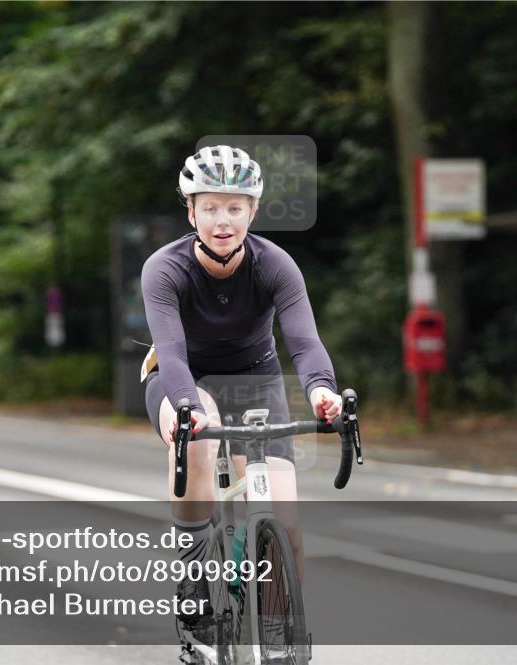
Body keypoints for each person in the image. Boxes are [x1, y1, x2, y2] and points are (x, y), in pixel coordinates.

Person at [140, 145, 343, 630]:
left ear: (253, 210)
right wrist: (187, 406)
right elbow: (170, 353)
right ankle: (193, 575)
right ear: (192, 211)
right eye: (210, 207)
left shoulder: (276, 265)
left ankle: (277, 639)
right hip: (183, 377)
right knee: (196, 445)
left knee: (287, 527)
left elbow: (305, 342)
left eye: (235, 207)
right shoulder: (164, 269)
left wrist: (321, 389)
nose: (222, 220)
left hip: (256, 379)